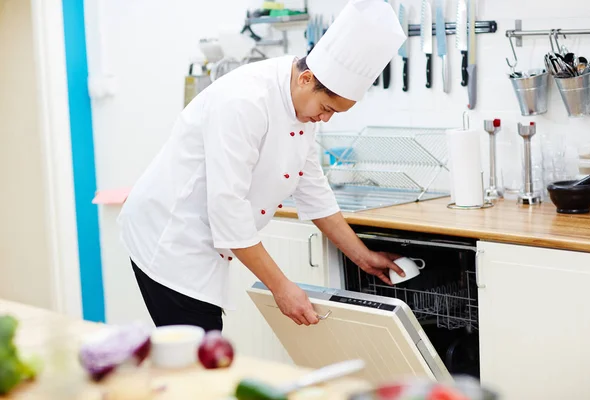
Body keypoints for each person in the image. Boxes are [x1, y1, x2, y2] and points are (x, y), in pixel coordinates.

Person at [117, 0, 408, 332]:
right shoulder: (245, 102)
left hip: (207, 237)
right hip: (170, 237)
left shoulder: (301, 104)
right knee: (200, 353)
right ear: (307, 79)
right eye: (326, 107)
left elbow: (313, 190)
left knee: (205, 353)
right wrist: (281, 287)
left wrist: (362, 256)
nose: (325, 118)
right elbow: (228, 208)